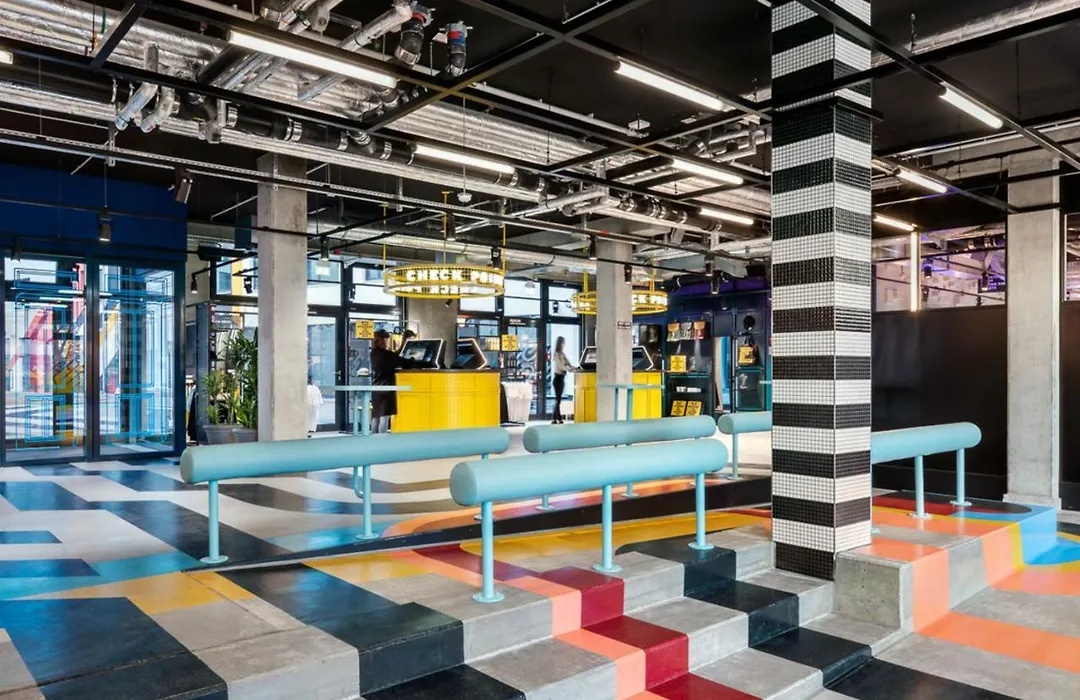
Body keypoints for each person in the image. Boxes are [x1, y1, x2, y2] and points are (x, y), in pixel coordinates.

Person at [370, 329, 428, 433]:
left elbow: (395, 356)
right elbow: (404, 362)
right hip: (387, 389)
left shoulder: (373, 354)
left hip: (376, 389)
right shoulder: (387, 355)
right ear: (384, 340)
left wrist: (403, 343)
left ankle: (373, 438)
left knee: (376, 417)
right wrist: (415, 358)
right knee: (384, 418)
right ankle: (382, 440)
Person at [551, 336, 576, 424]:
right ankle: (559, 418)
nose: (564, 344)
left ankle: (554, 419)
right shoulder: (556, 354)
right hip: (557, 378)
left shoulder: (563, 354)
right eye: (563, 342)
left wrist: (574, 368)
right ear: (560, 343)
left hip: (562, 378)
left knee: (558, 399)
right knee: (558, 399)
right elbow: (560, 365)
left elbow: (568, 363)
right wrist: (568, 369)